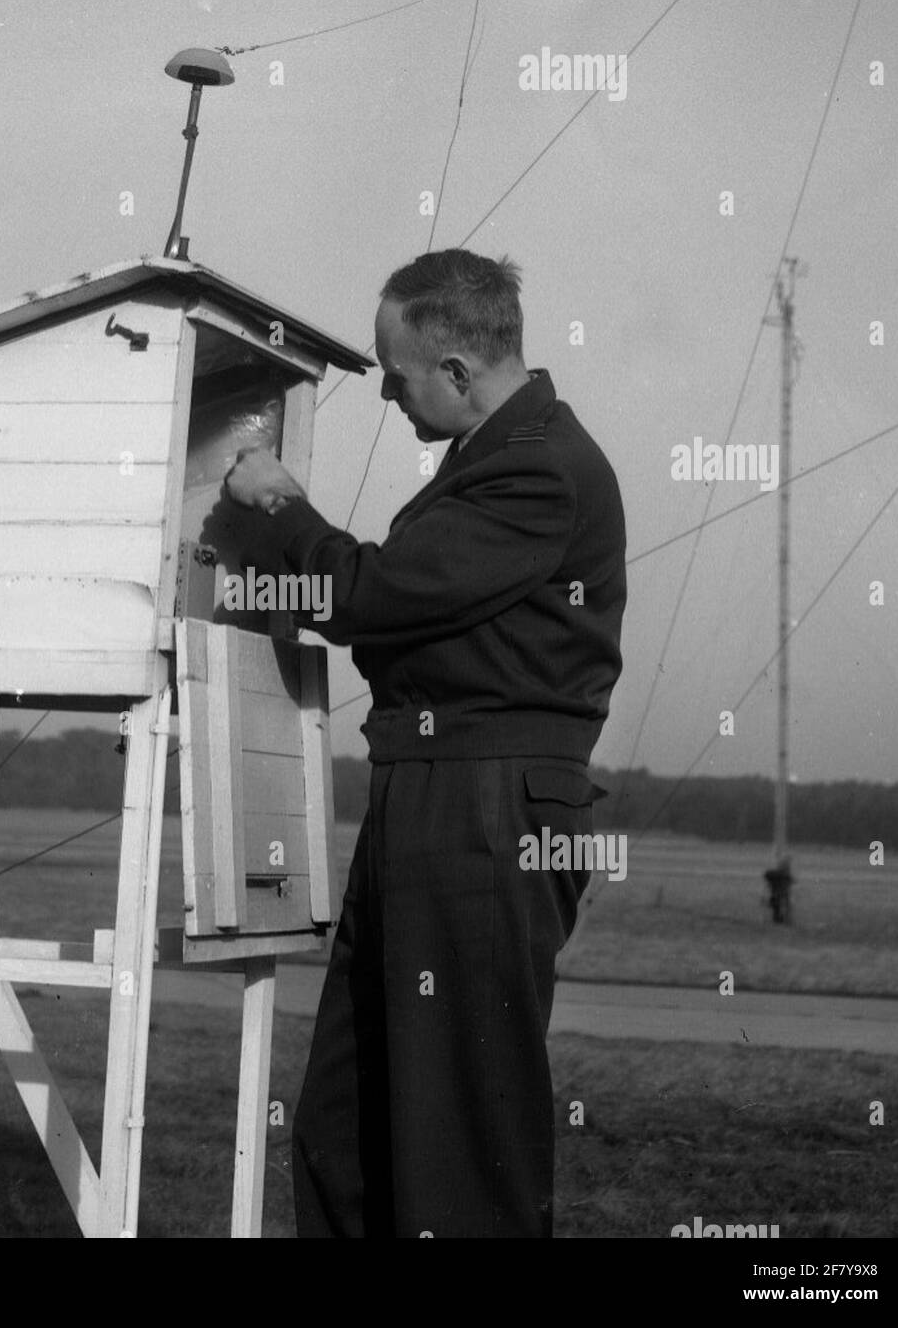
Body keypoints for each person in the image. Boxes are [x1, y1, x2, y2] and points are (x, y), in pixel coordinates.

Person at [223, 247, 626, 1238]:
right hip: (436, 796)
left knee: (457, 1140)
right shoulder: (495, 459)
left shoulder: (539, 469)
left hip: (479, 808)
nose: (392, 400)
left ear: (455, 371)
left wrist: (273, 504)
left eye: (396, 378)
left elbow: (371, 596)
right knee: (351, 1118)